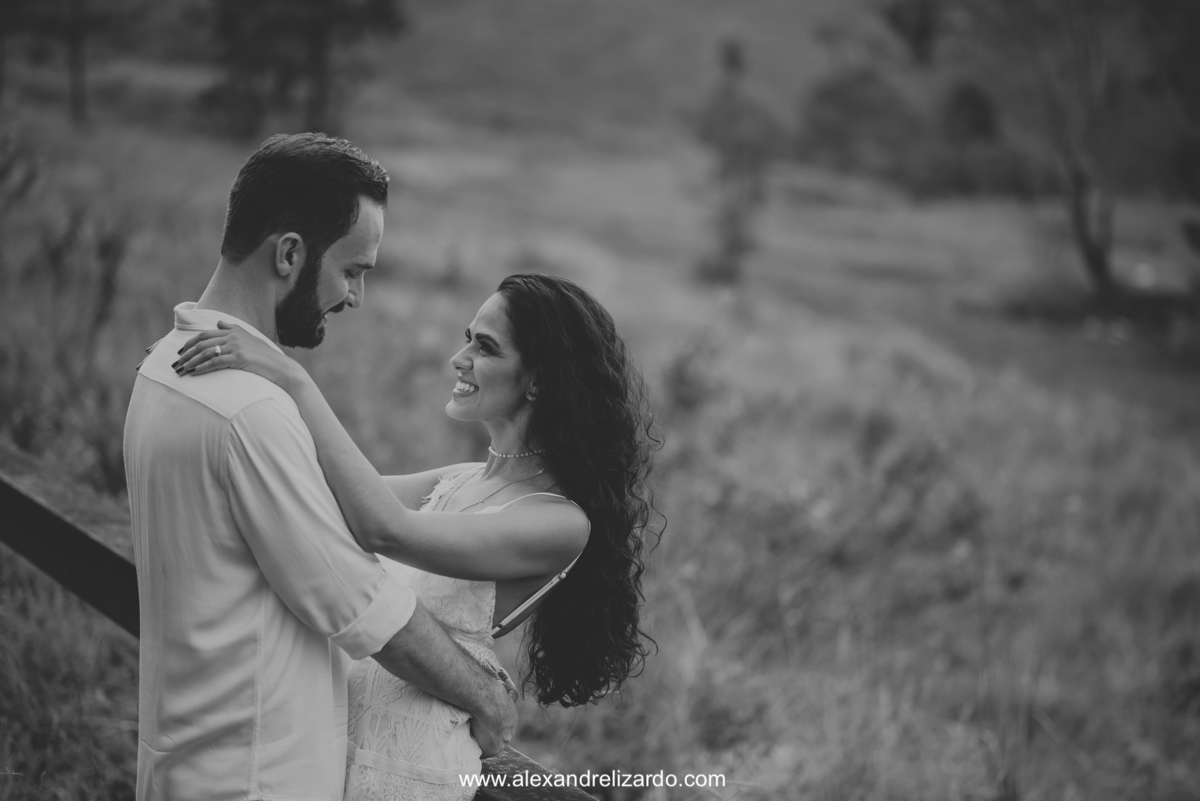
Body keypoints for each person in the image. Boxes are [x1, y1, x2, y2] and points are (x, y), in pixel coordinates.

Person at [123, 132, 517, 801]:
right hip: (254, 780)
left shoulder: (161, 365)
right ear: (288, 254)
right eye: (353, 270)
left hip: (182, 762)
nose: (356, 295)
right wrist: (489, 698)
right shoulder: (249, 410)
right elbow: (363, 606)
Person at [173, 272, 662, 801]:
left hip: (409, 765)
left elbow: (384, 527)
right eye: (467, 337)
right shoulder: (455, 480)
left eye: (486, 347)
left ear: (539, 379)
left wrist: (294, 380)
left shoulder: (561, 523)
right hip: (333, 736)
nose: (461, 357)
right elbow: (318, 489)